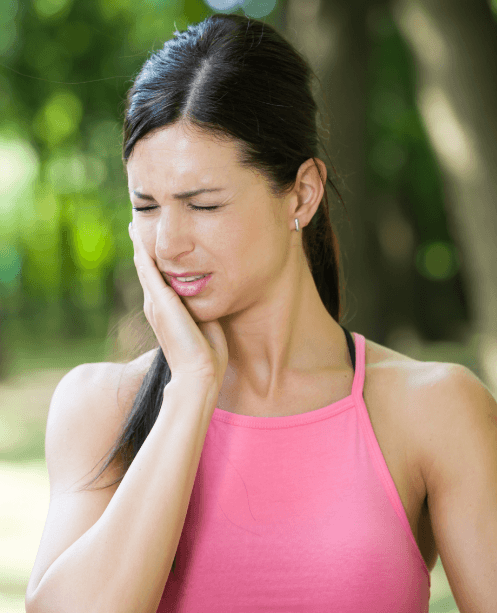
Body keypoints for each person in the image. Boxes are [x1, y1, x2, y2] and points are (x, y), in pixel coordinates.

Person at [26, 13, 497, 613]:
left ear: (301, 193)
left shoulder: (435, 409)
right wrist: (191, 388)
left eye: (202, 204)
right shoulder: (99, 408)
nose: (168, 242)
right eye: (146, 206)